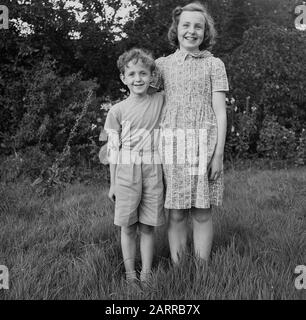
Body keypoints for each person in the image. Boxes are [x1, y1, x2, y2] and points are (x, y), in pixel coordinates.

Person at [152, 2, 229, 264]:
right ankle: (179, 267)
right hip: (172, 145)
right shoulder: (161, 66)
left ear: (205, 31)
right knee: (176, 212)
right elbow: (146, 100)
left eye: (198, 26)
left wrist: (218, 154)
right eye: (186, 25)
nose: (192, 31)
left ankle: (203, 268)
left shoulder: (214, 64)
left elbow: (220, 111)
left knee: (202, 211)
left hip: (204, 145)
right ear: (177, 28)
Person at [103, 48, 165, 288]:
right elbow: (113, 150)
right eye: (132, 74)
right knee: (128, 226)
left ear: (151, 76)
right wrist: (113, 182)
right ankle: (130, 274)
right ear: (123, 78)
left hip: (152, 167)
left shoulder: (159, 99)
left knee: (148, 225)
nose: (138, 79)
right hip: (126, 170)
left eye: (143, 73)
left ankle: (147, 273)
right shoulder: (116, 111)